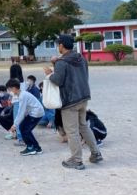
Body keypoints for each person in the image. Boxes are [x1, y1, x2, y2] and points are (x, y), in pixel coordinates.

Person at [44, 34, 103, 170]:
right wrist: (56, 64)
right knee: (83, 126)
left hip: (70, 101)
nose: (57, 47)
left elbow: (58, 80)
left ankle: (76, 160)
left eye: (58, 44)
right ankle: (96, 153)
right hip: (83, 96)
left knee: (72, 131)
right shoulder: (80, 57)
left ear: (61, 45)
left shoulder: (62, 62)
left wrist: (49, 73)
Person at [6, 78, 44, 156]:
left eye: (9, 89)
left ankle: (30, 148)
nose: (9, 92)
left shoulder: (22, 96)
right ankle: (37, 148)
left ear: (14, 88)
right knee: (24, 128)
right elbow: (24, 110)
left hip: (36, 113)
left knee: (25, 130)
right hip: (34, 112)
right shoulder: (21, 94)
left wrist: (14, 125)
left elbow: (21, 112)